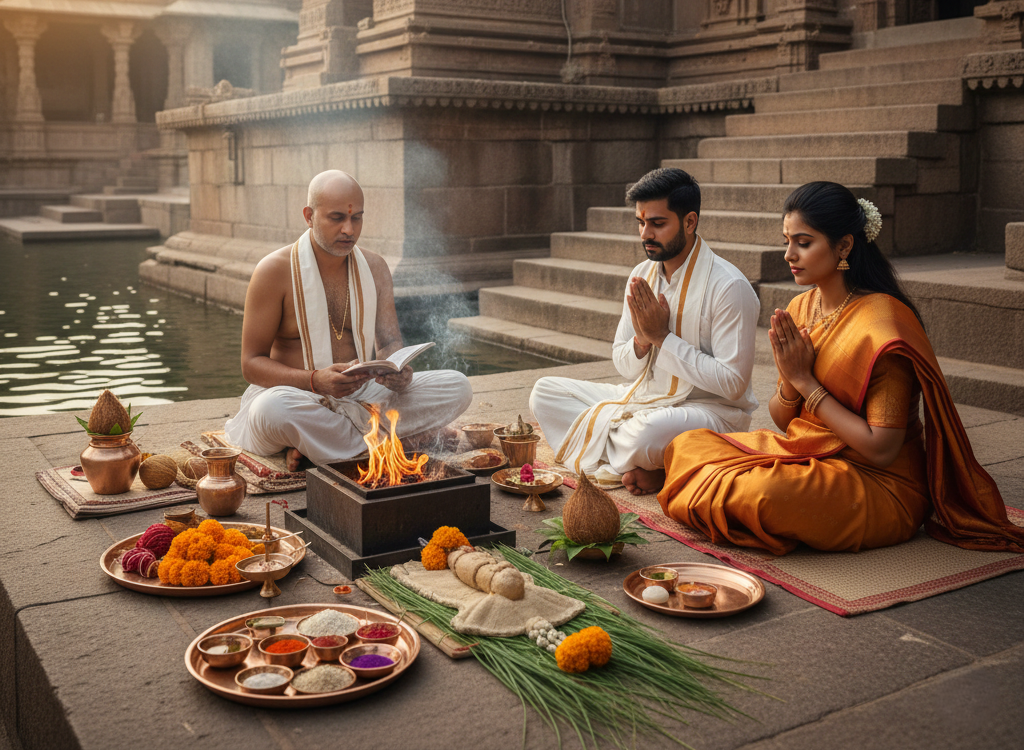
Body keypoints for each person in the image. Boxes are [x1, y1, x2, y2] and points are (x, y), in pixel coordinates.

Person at [658, 181, 1024, 554]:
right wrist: (791, 382)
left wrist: (805, 380)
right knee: (687, 445)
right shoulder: (802, 308)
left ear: (844, 246)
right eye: (787, 240)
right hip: (811, 454)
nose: (789, 254)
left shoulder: (883, 327)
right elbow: (786, 421)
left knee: (761, 493)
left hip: (879, 482)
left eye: (803, 242)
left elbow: (880, 450)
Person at [529, 167, 760, 495]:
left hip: (709, 411)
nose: (645, 234)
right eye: (641, 222)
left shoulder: (728, 286)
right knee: (544, 392)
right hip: (643, 396)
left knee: (644, 434)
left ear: (690, 222)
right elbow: (622, 362)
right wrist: (641, 340)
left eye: (657, 223)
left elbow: (733, 385)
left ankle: (634, 458)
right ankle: (646, 464)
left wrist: (662, 339)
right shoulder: (642, 274)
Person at [224, 170, 472, 470]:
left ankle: (324, 447)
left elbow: (389, 342)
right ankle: (403, 443)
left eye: (356, 219)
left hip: (362, 393)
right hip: (297, 395)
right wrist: (315, 380)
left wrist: (398, 372)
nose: (348, 229)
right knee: (273, 409)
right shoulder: (273, 272)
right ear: (309, 216)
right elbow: (251, 364)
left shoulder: (375, 268)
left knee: (457, 386)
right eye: (337, 217)